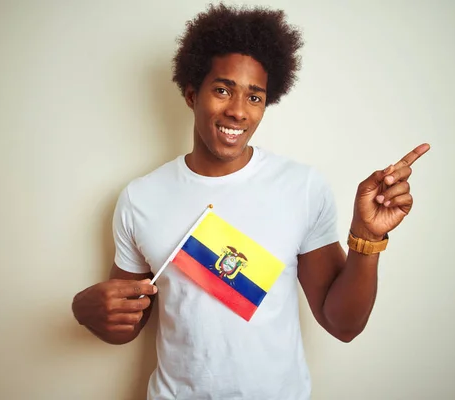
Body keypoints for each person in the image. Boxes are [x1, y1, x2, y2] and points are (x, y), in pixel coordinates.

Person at [72, 3, 430, 399]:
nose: (238, 111)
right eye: (223, 90)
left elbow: (342, 325)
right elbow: (126, 324)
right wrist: (85, 311)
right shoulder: (140, 198)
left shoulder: (301, 186)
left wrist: (366, 239)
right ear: (192, 94)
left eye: (254, 97)